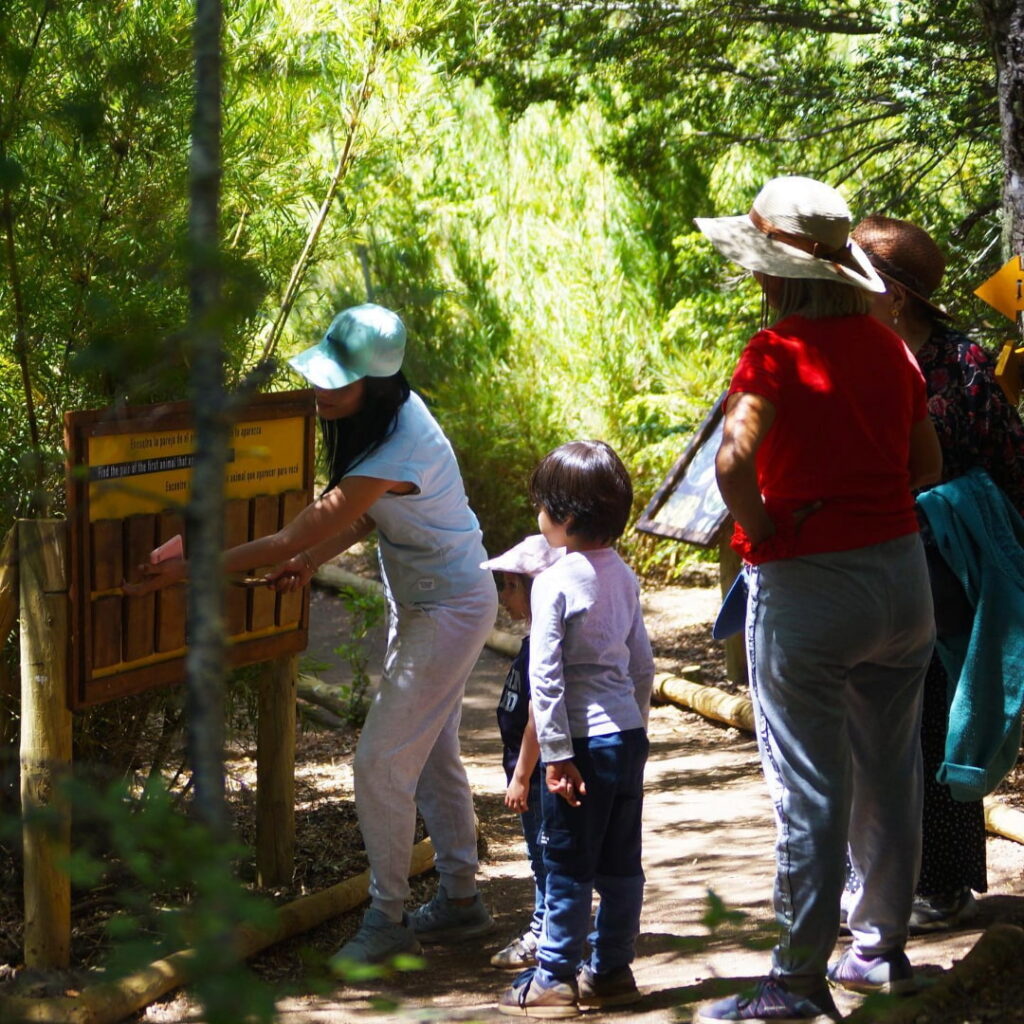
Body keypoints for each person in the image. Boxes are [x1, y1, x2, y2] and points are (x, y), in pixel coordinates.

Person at [125, 303, 499, 964]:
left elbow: (298, 529)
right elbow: (360, 516)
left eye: (338, 381)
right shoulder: (378, 426)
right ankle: (463, 902)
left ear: (375, 386)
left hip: (452, 607)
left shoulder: (399, 440)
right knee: (431, 752)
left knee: (379, 760)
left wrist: (193, 569)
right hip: (421, 602)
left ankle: (386, 916)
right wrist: (308, 562)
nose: (321, 391)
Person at [692, 177, 942, 1023]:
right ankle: (879, 951)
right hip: (902, 581)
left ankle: (796, 984)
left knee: (810, 789)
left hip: (809, 587)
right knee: (889, 770)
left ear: (775, 273)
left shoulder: (774, 352)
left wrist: (768, 531)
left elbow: (732, 463)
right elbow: (928, 469)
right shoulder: (892, 349)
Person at [848, 215, 1024, 931]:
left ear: (895, 294)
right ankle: (872, 877)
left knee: (939, 714)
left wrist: (956, 514)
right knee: (865, 723)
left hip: (945, 564)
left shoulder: (966, 365)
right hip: (861, 559)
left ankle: (943, 880)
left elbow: (1011, 466)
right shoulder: (846, 356)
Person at [498, 440, 655, 1019]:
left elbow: (547, 675)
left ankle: (554, 979)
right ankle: (612, 969)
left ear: (562, 518)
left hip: (581, 746)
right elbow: (642, 663)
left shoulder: (555, 581)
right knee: (620, 862)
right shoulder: (624, 577)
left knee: (566, 863)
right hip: (625, 738)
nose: (539, 516)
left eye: (543, 506)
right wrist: (636, 726)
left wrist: (557, 755)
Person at [480, 534, 565, 970]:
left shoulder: (546, 645)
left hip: (536, 773)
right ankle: (551, 925)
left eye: (511, 586)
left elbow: (539, 716)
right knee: (540, 854)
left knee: (544, 854)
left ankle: (544, 930)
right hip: (527, 768)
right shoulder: (534, 641)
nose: (504, 597)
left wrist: (521, 775)